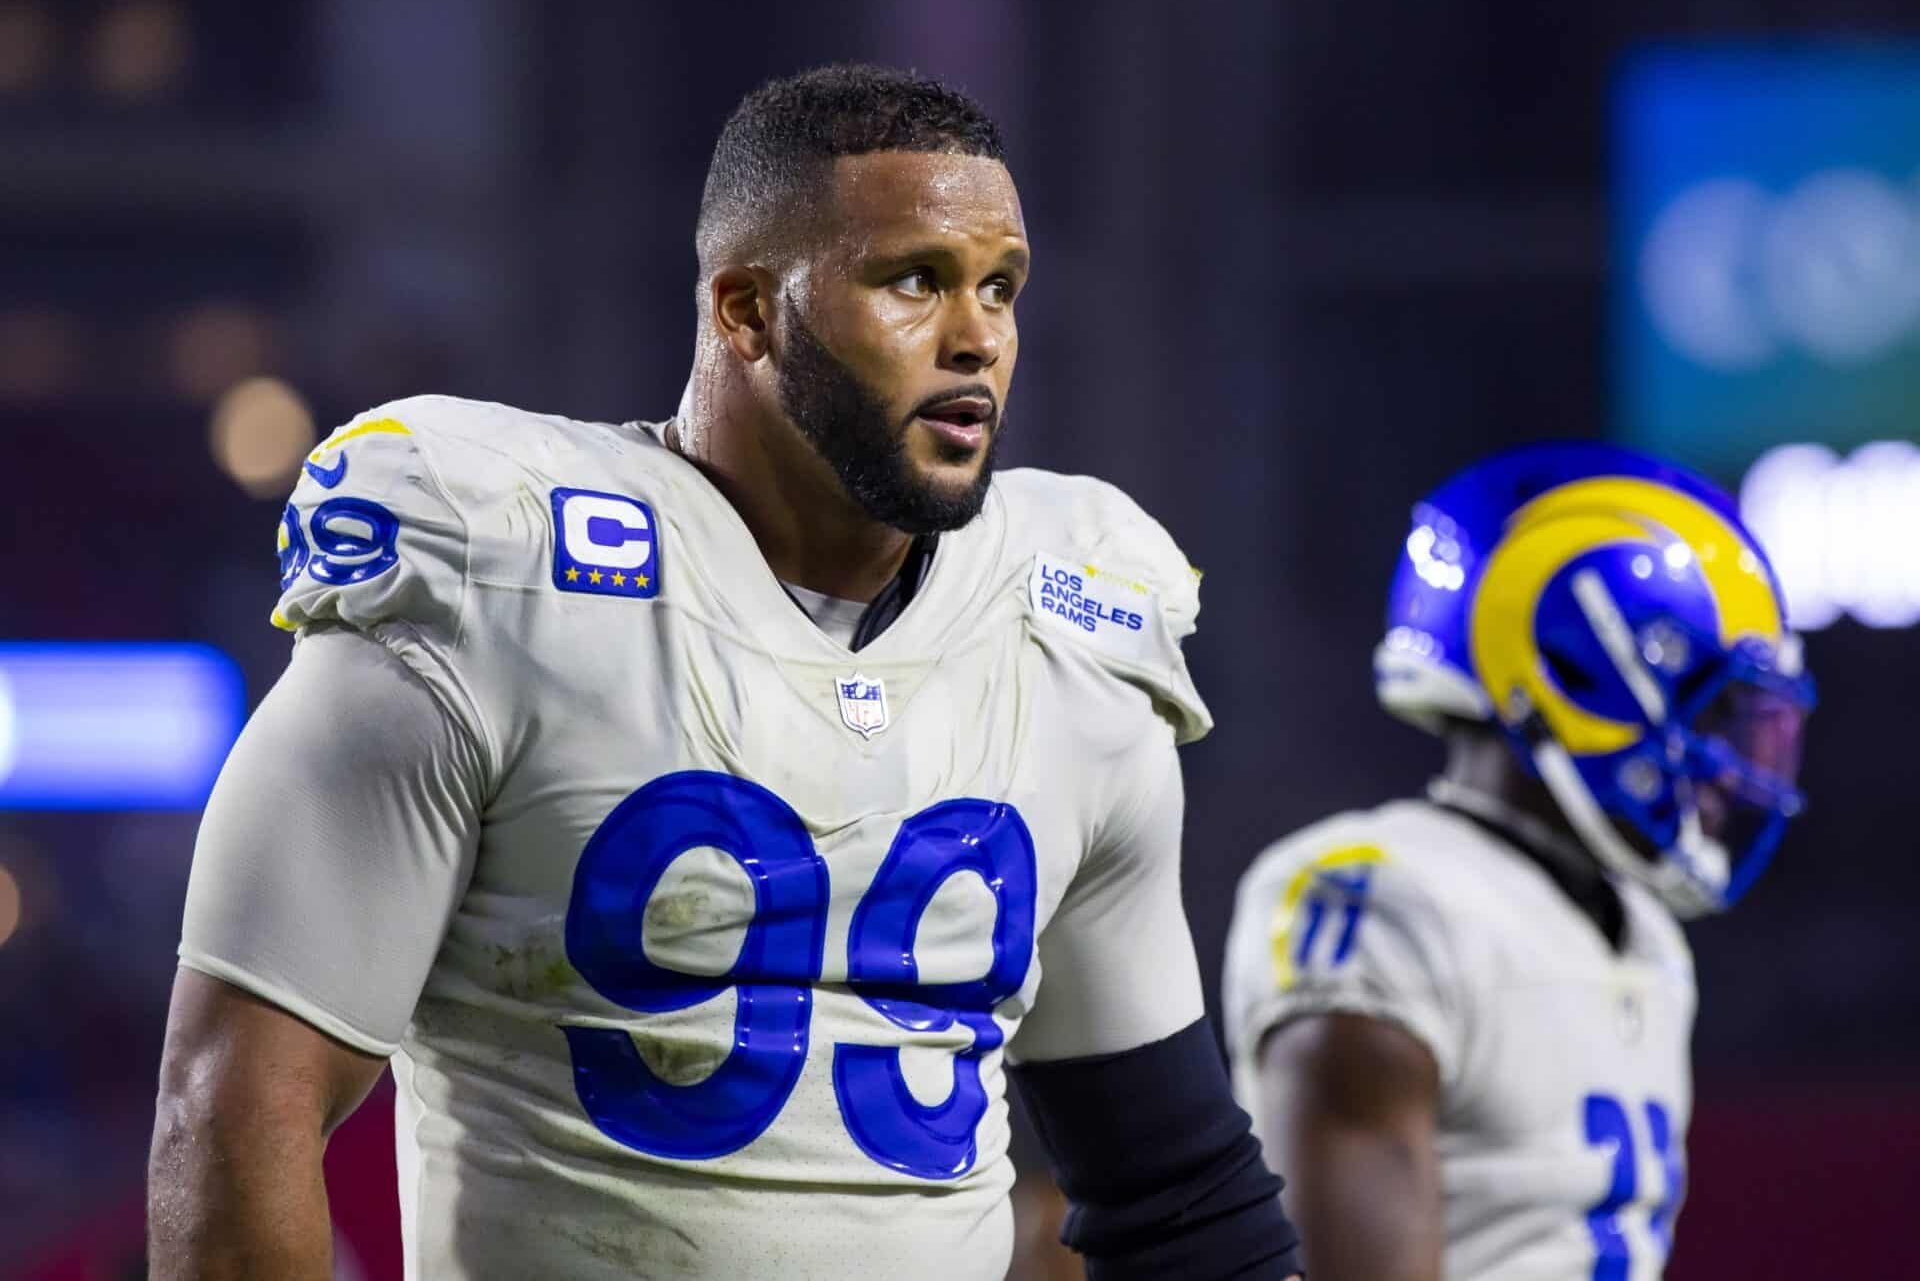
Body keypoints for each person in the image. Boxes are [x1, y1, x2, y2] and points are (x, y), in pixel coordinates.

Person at [149, 63, 1301, 1281]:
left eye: (999, 288)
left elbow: (1173, 1188)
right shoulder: (499, 574)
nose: (976, 337)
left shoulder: (1072, 632)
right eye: (915, 279)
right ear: (747, 312)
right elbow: (235, 1106)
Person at [1221, 444, 1813, 1280]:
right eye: (1709, 713)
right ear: (1579, 674)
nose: (1725, 773)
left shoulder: (1640, 933)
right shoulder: (1383, 896)